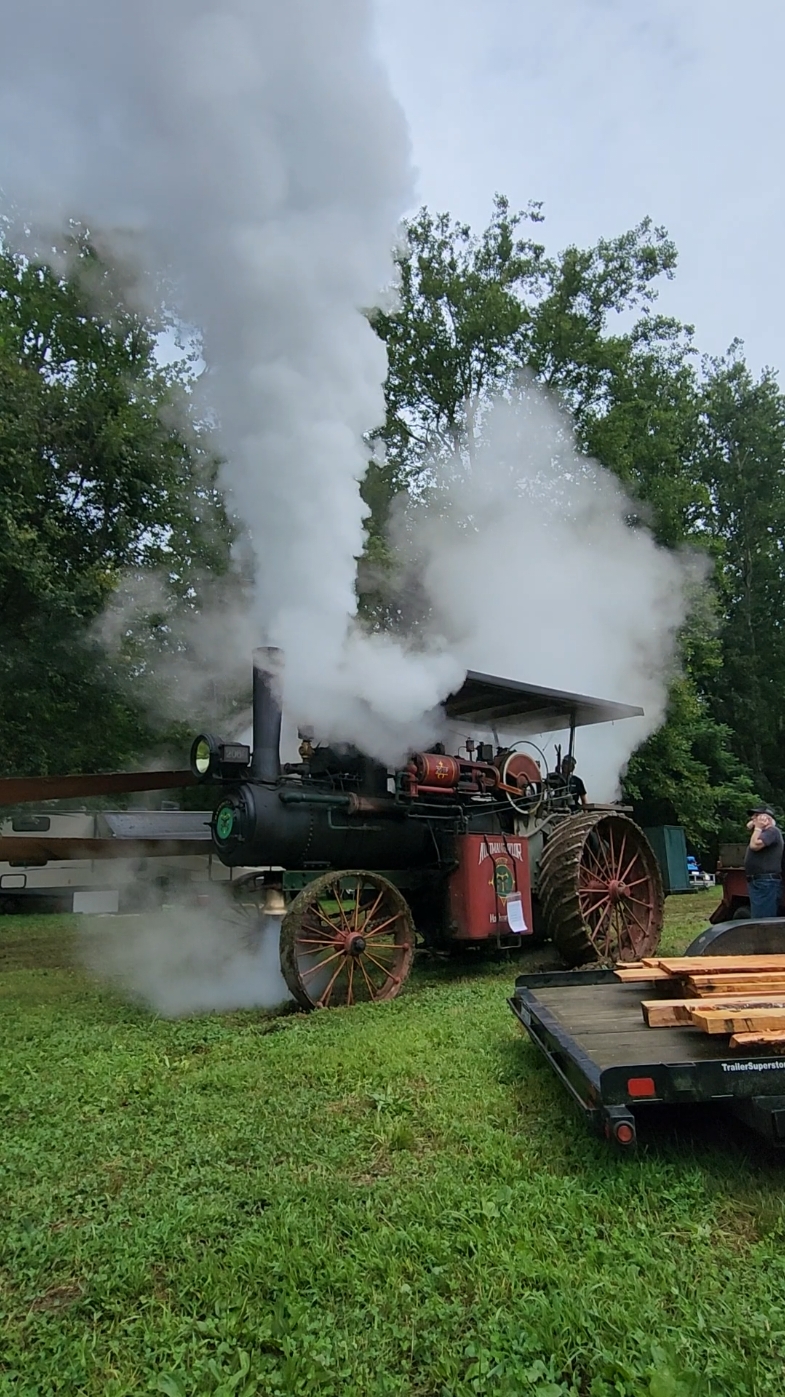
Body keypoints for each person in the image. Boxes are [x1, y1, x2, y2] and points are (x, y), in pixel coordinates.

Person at [745, 804, 784, 920]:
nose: (753, 819)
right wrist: (754, 826)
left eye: (756, 816)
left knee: (762, 921)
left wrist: (757, 828)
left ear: (766, 819)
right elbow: (748, 827)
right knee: (759, 919)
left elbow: (754, 845)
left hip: (765, 882)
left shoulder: (772, 832)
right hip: (761, 882)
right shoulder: (764, 833)